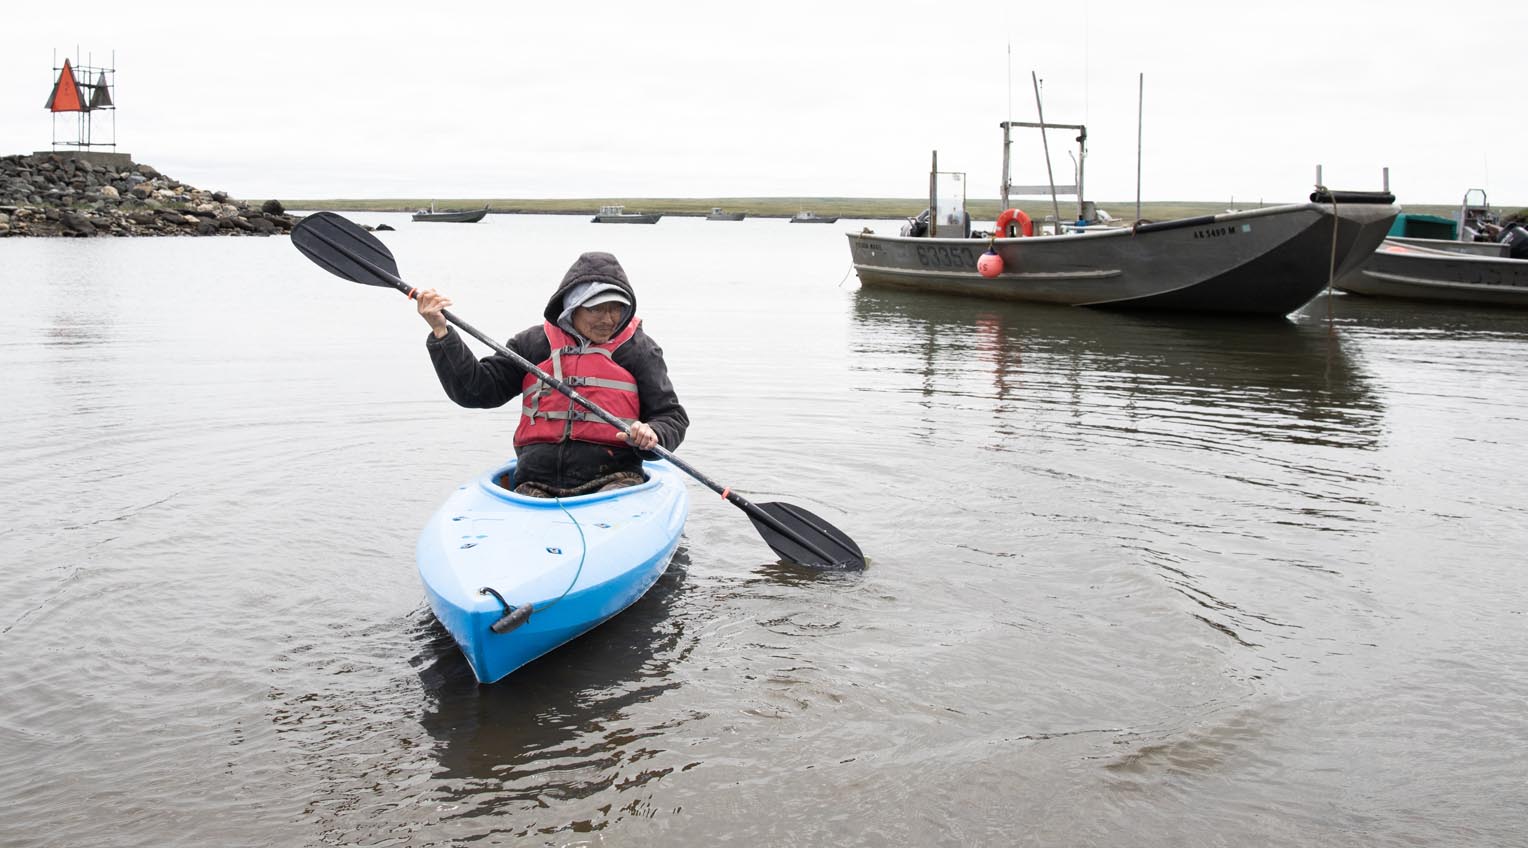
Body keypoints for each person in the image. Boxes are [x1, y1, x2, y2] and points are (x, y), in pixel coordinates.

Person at [416, 251, 688, 497]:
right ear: (571, 306)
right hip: (535, 483)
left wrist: (653, 432)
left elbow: (672, 417)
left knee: (616, 500)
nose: (608, 319)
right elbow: (476, 391)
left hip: (615, 480)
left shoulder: (639, 350)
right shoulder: (532, 345)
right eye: (596, 308)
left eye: (616, 308)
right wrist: (442, 333)